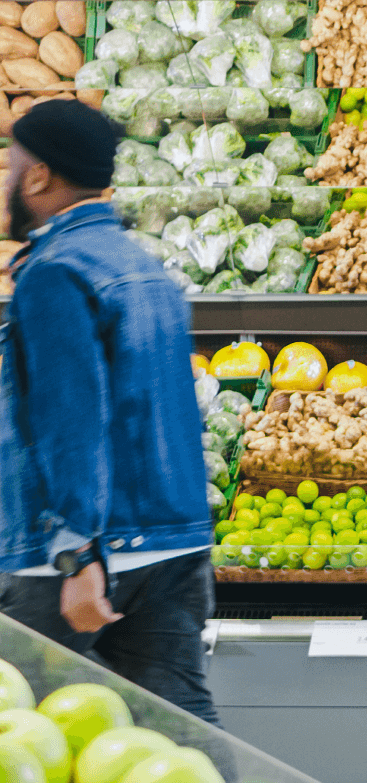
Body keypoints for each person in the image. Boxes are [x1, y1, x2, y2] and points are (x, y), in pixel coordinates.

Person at [0, 100, 219, 724]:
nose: (8, 179)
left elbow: (73, 420)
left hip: (79, 555)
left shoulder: (54, 273)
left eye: (12, 164)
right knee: (182, 730)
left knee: (21, 729)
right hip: (173, 547)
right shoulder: (145, 269)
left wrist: (78, 554)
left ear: (39, 176)